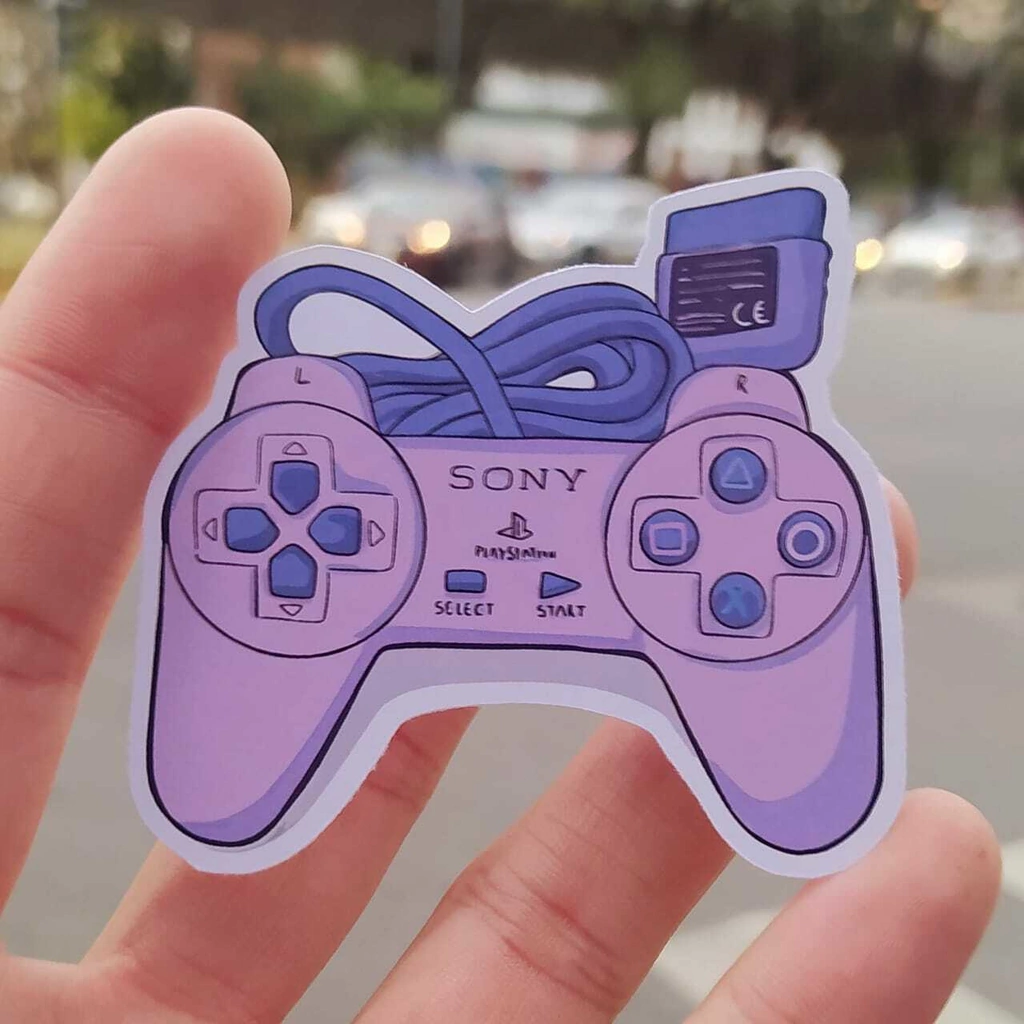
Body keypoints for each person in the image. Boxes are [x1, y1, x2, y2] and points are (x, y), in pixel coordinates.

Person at [0, 108, 1000, 1022]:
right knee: (730, 465)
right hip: (518, 490)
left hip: (438, 496)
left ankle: (328, 429)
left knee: (729, 446)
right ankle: (326, 424)